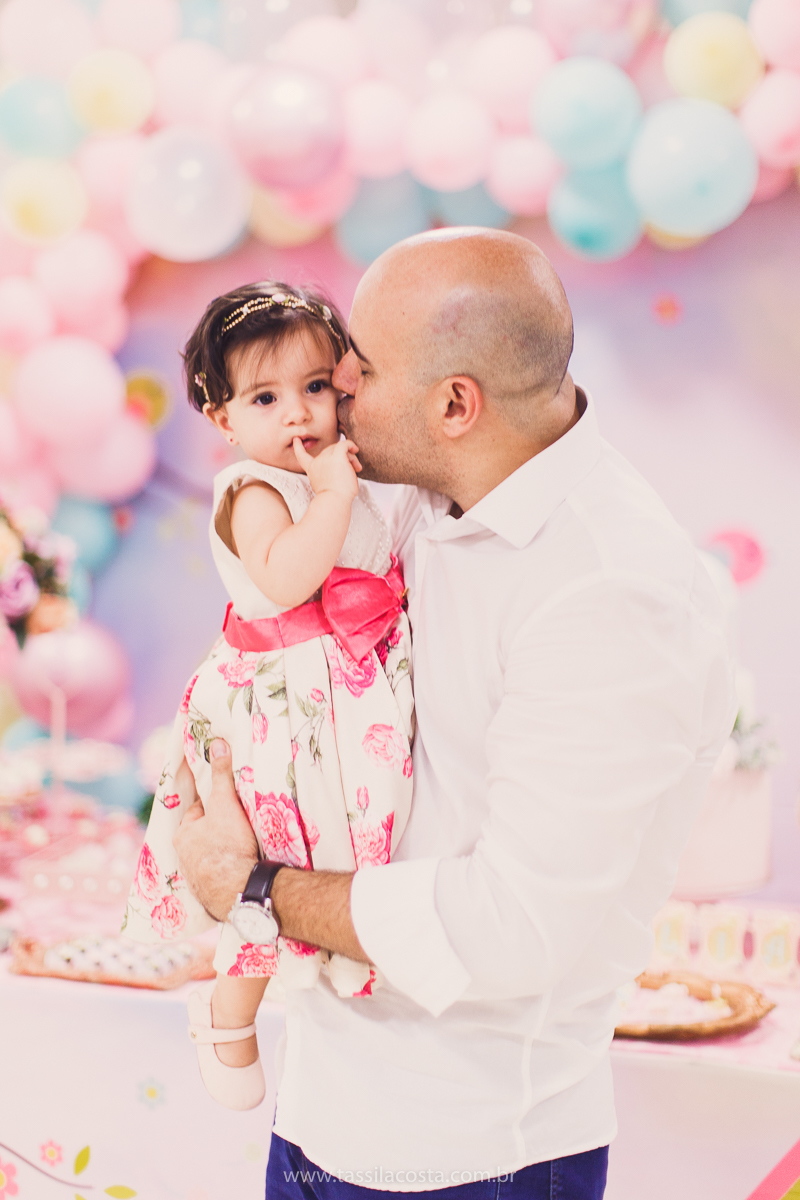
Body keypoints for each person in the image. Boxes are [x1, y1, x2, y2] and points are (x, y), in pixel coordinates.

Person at [173, 229, 737, 1199]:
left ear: (453, 404)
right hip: (315, 1115)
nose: (331, 388)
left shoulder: (610, 592)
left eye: (358, 369)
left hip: (472, 1152)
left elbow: (512, 924)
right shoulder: (416, 494)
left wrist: (253, 885)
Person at [123, 281, 414, 1111]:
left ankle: (350, 992)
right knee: (267, 865)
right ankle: (227, 1010)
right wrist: (330, 495)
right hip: (279, 718)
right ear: (223, 420)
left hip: (353, 703)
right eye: (265, 397)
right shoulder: (256, 490)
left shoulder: (349, 475)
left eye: (316, 387)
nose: (299, 415)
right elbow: (287, 578)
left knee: (354, 857)